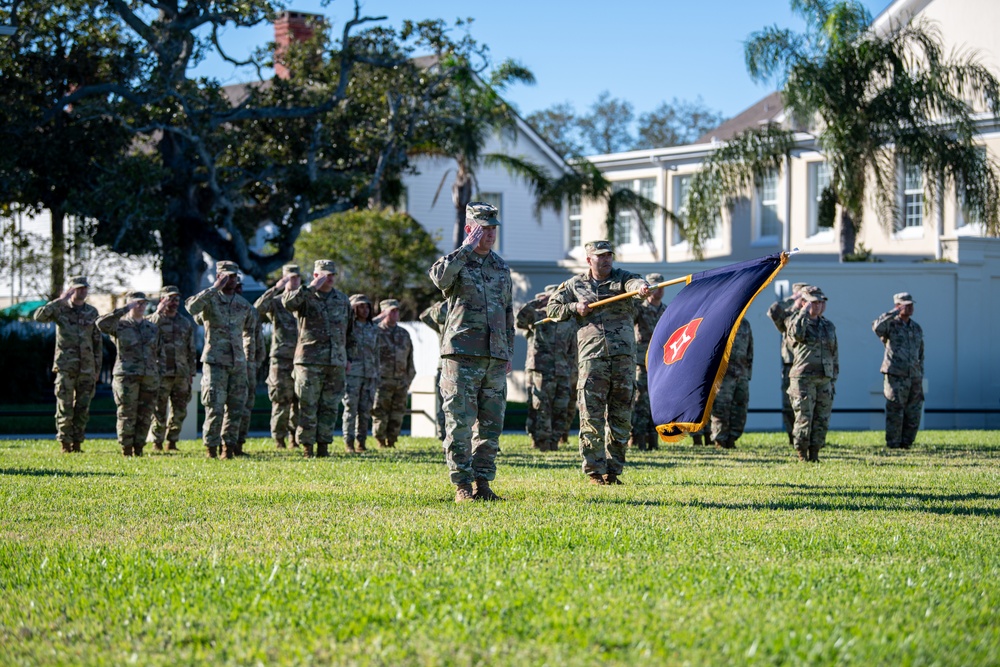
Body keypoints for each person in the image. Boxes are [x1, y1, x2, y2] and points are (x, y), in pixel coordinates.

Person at [428, 201, 514, 503]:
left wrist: (507, 353)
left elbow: (508, 312)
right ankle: (462, 485)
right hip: (461, 354)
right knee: (460, 423)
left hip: (494, 356)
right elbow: (439, 278)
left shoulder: (501, 267)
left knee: (490, 426)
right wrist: (466, 247)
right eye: (483, 228)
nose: (490, 234)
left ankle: (483, 482)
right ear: (470, 229)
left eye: (492, 229)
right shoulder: (456, 261)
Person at [547, 240, 651, 485]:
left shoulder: (623, 278)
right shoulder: (575, 284)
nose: (606, 260)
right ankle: (594, 470)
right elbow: (552, 309)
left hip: (624, 360)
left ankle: (613, 470)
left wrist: (641, 287)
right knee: (591, 416)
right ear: (589, 260)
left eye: (609, 256)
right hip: (593, 359)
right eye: (600, 256)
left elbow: (635, 283)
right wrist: (574, 307)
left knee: (621, 416)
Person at [282, 259, 353, 458]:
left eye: (332, 275)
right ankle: (306, 447)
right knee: (307, 406)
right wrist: (311, 288)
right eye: (324, 275)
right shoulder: (305, 297)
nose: (329, 278)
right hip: (309, 361)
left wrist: (349, 358)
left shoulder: (342, 299)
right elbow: (288, 302)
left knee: (330, 407)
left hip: (336, 361)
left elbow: (351, 332)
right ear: (315, 275)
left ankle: (323, 446)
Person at [186, 260, 255, 459]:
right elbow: (191, 307)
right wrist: (214, 288)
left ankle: (229, 448)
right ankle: (211, 448)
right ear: (219, 277)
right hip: (215, 361)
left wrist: (249, 358)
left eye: (234, 276)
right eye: (227, 276)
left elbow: (250, 331)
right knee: (214, 406)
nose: (231, 280)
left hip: (238, 363)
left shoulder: (243, 305)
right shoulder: (210, 300)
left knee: (236, 407)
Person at [33, 275, 103, 453]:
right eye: (79, 288)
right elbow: (39, 316)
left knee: (82, 406)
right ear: (71, 289)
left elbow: (97, 343)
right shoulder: (60, 310)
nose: (82, 291)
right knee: (64, 406)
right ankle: (65, 443)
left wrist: (97, 368)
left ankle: (77, 442)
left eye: (85, 288)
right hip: (66, 367)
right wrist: (59, 300)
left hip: (87, 367)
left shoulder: (92, 312)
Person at [97, 292, 161, 457]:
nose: (140, 306)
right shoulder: (120, 325)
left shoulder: (152, 327)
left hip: (149, 375)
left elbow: (158, 351)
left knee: (146, 413)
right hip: (127, 375)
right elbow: (101, 324)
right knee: (127, 413)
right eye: (137, 303)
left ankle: (139, 447)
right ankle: (126, 448)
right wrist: (124, 309)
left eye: (143, 303)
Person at [787, 285, 838, 462]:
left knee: (821, 418)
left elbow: (834, 353)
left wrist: (833, 378)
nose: (818, 305)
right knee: (804, 417)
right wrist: (803, 312)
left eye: (820, 302)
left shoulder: (828, 325)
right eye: (814, 302)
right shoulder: (797, 320)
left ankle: (815, 452)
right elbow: (795, 335)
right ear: (805, 303)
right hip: (803, 378)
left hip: (824, 378)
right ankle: (802, 453)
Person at [254, 264, 301, 449]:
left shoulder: (305, 301)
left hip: (302, 359)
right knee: (281, 400)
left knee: (300, 401)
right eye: (290, 278)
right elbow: (258, 308)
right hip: (281, 358)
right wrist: (276, 288)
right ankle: (279, 439)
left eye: (297, 277)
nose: (294, 281)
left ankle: (295, 438)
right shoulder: (276, 302)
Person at [147, 285, 196, 452]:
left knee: (180, 409)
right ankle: (157, 442)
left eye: (176, 299)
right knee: (158, 410)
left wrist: (191, 371)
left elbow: (191, 349)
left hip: (180, 373)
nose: (174, 302)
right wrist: (158, 312)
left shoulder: (184, 322)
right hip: (160, 372)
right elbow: (147, 331)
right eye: (170, 298)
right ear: (162, 300)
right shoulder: (154, 320)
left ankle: (172, 441)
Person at [873, 292, 924, 450]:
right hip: (895, 374)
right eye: (905, 305)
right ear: (897, 305)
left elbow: (920, 351)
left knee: (914, 411)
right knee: (895, 410)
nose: (909, 308)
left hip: (913, 375)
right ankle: (894, 444)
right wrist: (893, 312)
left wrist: (920, 371)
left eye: (911, 305)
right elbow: (877, 327)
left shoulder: (915, 327)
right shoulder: (890, 324)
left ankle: (907, 443)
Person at [516, 289, 561, 451]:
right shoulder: (537, 315)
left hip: (562, 368)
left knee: (560, 407)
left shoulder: (565, 316)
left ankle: (555, 441)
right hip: (540, 368)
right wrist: (537, 302)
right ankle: (541, 441)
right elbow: (519, 319)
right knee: (540, 406)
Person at [767, 282, 809, 444]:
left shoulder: (812, 315)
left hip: (807, 364)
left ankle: (809, 436)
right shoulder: (788, 315)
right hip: (790, 364)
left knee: (809, 403)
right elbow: (773, 311)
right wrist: (791, 301)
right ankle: (793, 437)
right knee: (788, 404)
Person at [373, 298, 416, 448]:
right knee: (380, 412)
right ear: (383, 313)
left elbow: (410, 358)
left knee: (397, 413)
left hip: (400, 381)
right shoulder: (376, 332)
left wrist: (408, 378)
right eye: (392, 311)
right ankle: (380, 440)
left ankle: (392, 440)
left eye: (397, 311)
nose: (395, 314)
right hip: (382, 380)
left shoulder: (404, 333)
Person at [631, 272, 667, 450]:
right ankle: (638, 438)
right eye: (654, 286)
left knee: (657, 400)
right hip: (642, 361)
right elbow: (629, 316)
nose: (659, 290)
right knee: (640, 401)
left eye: (661, 286)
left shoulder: (667, 311)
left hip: (661, 362)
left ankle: (654, 439)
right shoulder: (641, 309)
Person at [343, 293, 380, 452]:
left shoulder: (373, 328)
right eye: (360, 306)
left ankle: (361, 442)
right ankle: (349, 442)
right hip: (352, 374)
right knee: (351, 409)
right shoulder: (348, 326)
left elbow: (376, 352)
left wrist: (377, 373)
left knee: (365, 411)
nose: (364, 310)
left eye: (367, 306)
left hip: (369, 374)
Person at [709, 318, 754, 449]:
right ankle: (720, 440)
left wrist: (747, 373)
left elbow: (750, 350)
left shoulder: (745, 324)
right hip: (723, 376)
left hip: (741, 374)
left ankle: (732, 439)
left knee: (740, 408)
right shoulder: (719, 322)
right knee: (721, 408)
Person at [235, 275, 266, 454]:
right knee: (228, 406)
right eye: (236, 286)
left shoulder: (249, 311)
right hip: (229, 364)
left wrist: (255, 362)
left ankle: (239, 443)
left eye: (240, 287)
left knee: (246, 407)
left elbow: (258, 339)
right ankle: (223, 444)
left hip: (249, 366)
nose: (239, 290)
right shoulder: (219, 309)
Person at [549, 284, 578, 447]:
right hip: (555, 369)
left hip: (574, 369)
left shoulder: (574, 319)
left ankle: (562, 434)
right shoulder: (550, 317)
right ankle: (548, 438)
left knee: (569, 405)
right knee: (550, 405)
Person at [418, 300, 449, 441]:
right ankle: (443, 434)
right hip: (444, 366)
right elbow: (424, 316)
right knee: (444, 404)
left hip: (467, 367)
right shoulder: (442, 323)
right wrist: (440, 304)